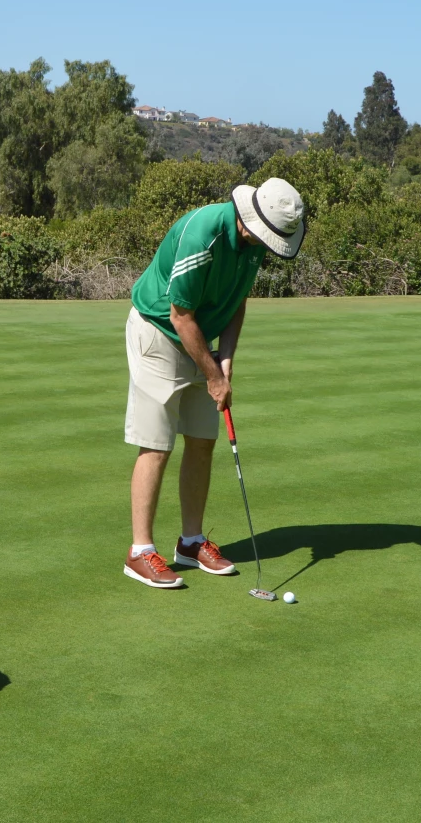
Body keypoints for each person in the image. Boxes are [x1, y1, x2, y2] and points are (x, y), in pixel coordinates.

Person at [123, 178, 305, 588]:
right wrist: (213, 375)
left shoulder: (253, 247)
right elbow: (180, 316)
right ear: (249, 223)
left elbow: (237, 301)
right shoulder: (202, 236)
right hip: (160, 333)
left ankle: (190, 542)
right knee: (156, 444)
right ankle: (139, 551)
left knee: (203, 440)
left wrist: (226, 359)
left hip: (202, 340)